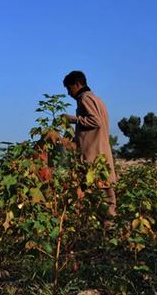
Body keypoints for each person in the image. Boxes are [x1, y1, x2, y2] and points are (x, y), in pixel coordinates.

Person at [62, 70, 118, 217]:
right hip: (102, 158)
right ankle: (106, 236)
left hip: (94, 160)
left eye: (69, 89)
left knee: (95, 202)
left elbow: (95, 121)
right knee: (106, 202)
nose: (69, 93)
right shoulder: (97, 100)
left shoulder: (85, 99)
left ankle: (100, 236)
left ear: (77, 84)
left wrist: (72, 119)